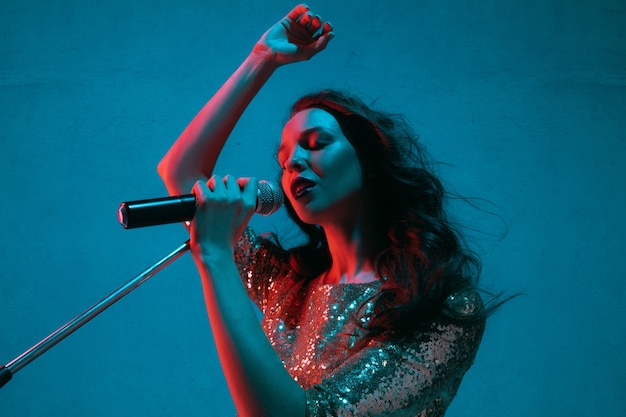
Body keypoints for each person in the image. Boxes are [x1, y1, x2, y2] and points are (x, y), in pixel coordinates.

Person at [158, 4, 490, 416]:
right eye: (282, 162)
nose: (293, 163)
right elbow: (180, 171)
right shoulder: (285, 283)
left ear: (367, 161)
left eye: (315, 145)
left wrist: (214, 255)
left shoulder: (441, 305)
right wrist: (262, 59)